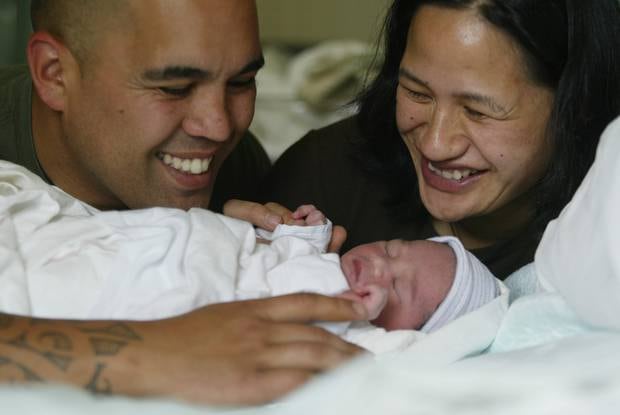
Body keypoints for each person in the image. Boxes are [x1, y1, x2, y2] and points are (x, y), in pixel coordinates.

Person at [0, 0, 363, 406]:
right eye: (174, 89)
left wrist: (226, 242)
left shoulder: (235, 164)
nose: (219, 125)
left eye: (242, 82)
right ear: (55, 74)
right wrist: (145, 353)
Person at [257, 0, 620, 279]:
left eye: (478, 111)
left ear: (575, 105)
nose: (434, 144)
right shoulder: (323, 177)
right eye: (417, 93)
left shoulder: (604, 239)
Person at [0, 169, 498, 354]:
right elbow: (289, 243)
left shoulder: (352, 324)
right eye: (392, 250)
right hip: (188, 240)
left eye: (403, 291)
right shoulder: (327, 258)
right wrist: (306, 226)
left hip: (187, 296)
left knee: (74, 288)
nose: (384, 269)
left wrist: (357, 313)